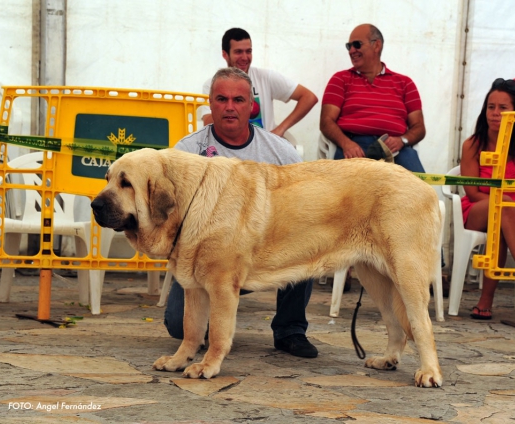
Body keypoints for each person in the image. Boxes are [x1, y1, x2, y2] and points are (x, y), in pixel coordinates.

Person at [165, 67, 318, 358]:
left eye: (238, 100)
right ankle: (213, 324)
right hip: (207, 262)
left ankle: (290, 330)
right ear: (210, 103)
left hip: (265, 253)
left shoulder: (280, 151)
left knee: (306, 238)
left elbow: (304, 200)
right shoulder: (187, 152)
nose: (230, 107)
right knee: (177, 326)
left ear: (252, 106)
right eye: (221, 99)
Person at [459, 78, 515, 320]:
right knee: (501, 205)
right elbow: (472, 192)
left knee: (501, 223)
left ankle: (485, 303)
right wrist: (506, 200)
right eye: (490, 107)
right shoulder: (473, 144)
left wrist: (514, 205)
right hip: (476, 210)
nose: (495, 113)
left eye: (503, 108)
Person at [320, 23, 426, 172]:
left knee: (419, 191)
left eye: (357, 44)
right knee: (346, 193)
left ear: (376, 45)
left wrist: (402, 140)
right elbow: (326, 122)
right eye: (348, 46)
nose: (351, 51)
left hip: (395, 147)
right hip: (354, 146)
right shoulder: (340, 79)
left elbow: (419, 127)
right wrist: (346, 144)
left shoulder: (405, 83)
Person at [199, 28, 317, 138]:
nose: (245, 57)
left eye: (248, 51)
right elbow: (207, 124)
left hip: (265, 151)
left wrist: (280, 129)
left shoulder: (266, 77)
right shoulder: (212, 84)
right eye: (238, 52)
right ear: (225, 54)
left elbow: (309, 97)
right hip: (228, 152)